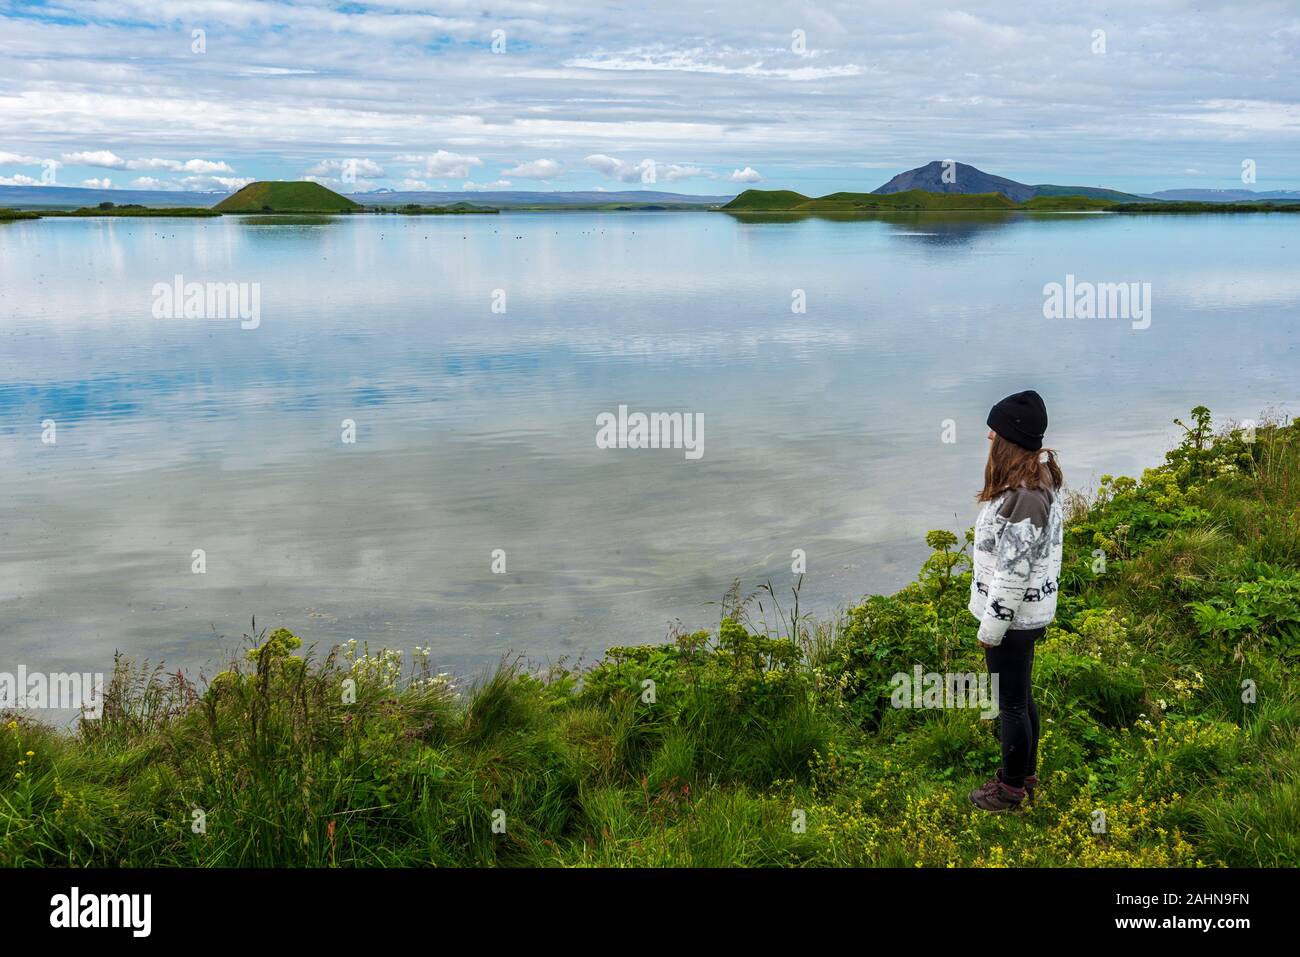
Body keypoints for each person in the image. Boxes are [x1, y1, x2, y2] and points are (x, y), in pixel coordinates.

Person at [967, 390, 1063, 812]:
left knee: (1009, 704)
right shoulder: (1029, 485)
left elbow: (1012, 574)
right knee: (1020, 699)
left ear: (1010, 439)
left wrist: (991, 630)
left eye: (996, 430)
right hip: (1021, 618)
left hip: (1013, 622)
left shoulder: (1025, 497)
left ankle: (1009, 790)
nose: (989, 435)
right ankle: (1025, 775)